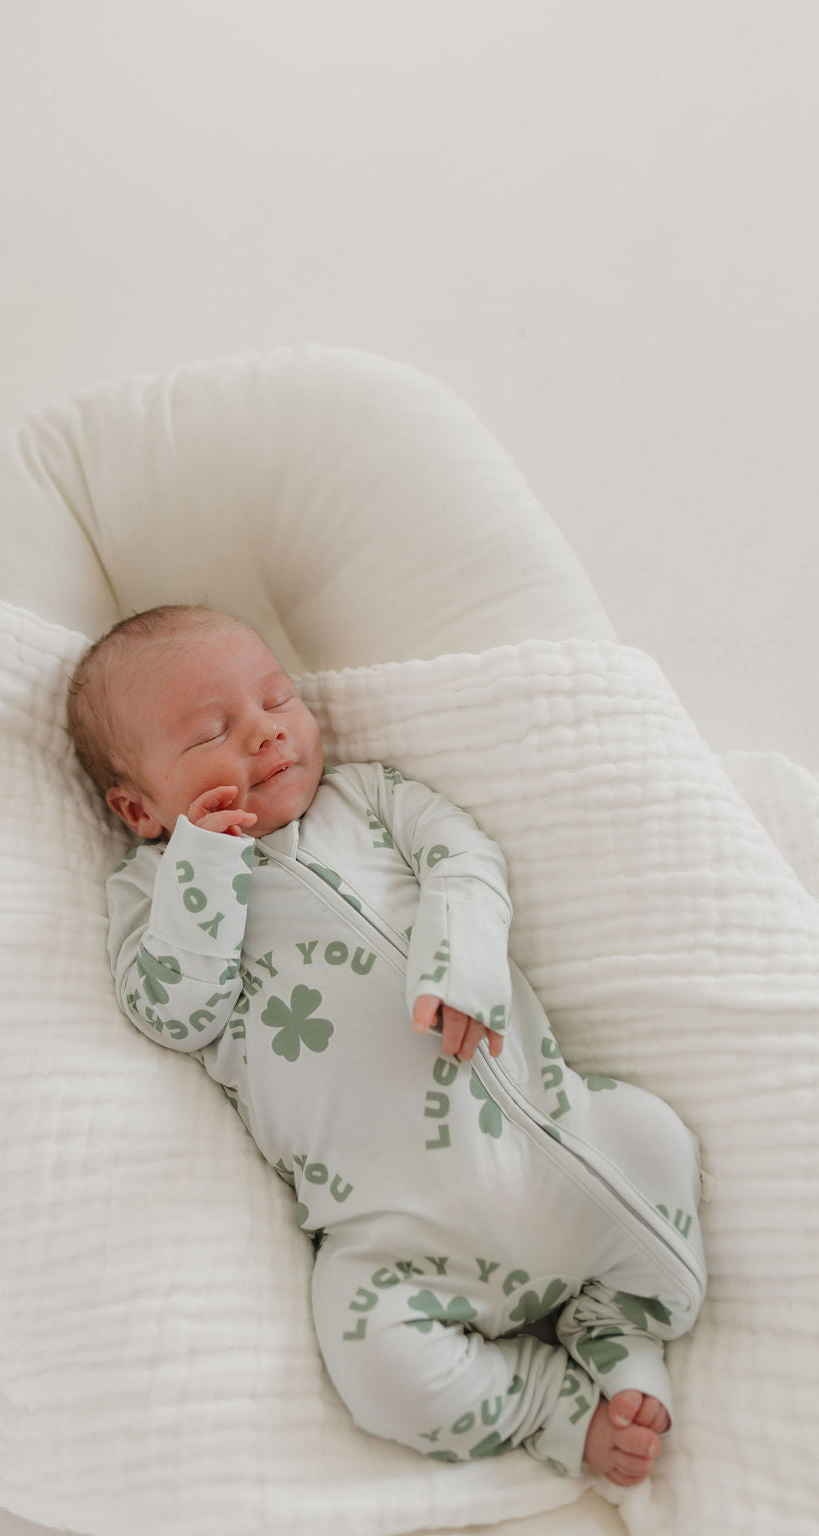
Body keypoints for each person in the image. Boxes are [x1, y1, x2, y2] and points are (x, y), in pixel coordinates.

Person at [66, 604, 707, 1487]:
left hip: (555, 1145)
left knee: (654, 1136)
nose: (265, 732)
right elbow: (175, 1011)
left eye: (277, 698)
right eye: (212, 731)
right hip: (398, 1238)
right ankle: (552, 1406)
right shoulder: (152, 893)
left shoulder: (365, 799)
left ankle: (619, 1330)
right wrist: (201, 867)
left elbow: (465, 857)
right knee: (373, 1360)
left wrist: (460, 959)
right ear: (139, 807)